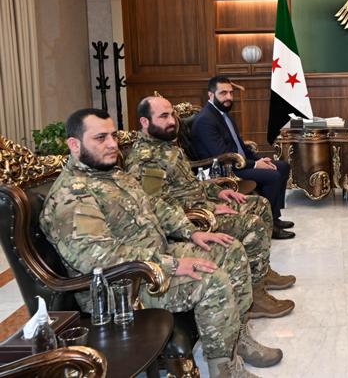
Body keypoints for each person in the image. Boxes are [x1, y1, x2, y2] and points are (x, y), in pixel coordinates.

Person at [40, 108, 282, 377]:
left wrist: (191, 232)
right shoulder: (71, 197)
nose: (112, 144)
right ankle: (223, 369)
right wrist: (172, 264)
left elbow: (154, 204)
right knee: (211, 280)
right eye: (100, 138)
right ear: (74, 145)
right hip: (123, 287)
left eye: (113, 136)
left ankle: (235, 339)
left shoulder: (111, 174)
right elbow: (100, 258)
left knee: (230, 249)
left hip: (156, 256)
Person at [125, 95, 296, 317]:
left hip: (200, 203)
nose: (172, 121)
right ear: (144, 122)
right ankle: (255, 298)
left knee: (260, 204)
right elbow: (155, 205)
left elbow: (189, 185)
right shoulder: (146, 159)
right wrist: (209, 208)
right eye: (163, 116)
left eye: (172, 115)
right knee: (251, 224)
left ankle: (261, 273)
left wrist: (218, 192)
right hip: (189, 218)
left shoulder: (166, 147)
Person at [192, 76, 294, 239]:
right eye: (223, 93)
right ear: (210, 95)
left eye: (231, 93)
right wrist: (254, 165)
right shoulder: (206, 120)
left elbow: (239, 146)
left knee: (282, 166)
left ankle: (274, 216)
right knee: (272, 175)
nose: (229, 97)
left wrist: (258, 160)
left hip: (237, 162)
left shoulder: (223, 114)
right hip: (222, 169)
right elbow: (222, 154)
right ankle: (270, 226)